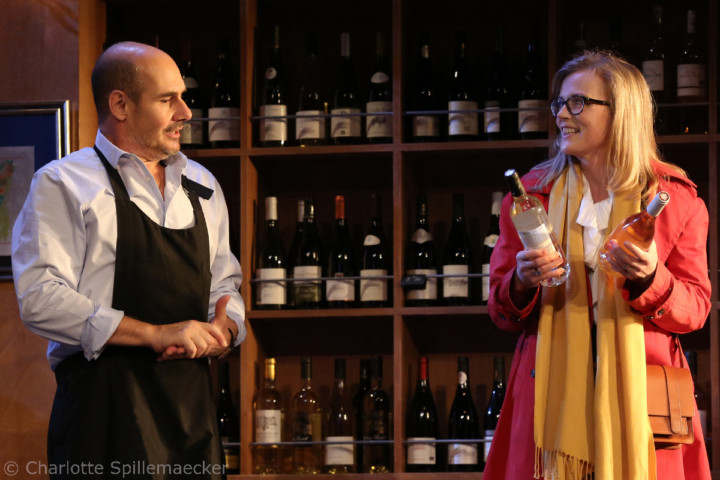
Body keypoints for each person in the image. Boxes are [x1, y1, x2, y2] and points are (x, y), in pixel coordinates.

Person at [12, 41, 246, 479]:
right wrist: (155, 334)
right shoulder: (65, 183)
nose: (185, 112)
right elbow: (41, 298)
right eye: (167, 99)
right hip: (103, 418)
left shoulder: (202, 184)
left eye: (183, 97)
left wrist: (226, 328)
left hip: (191, 419)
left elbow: (223, 285)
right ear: (120, 104)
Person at [484, 51, 711, 480]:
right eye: (559, 103)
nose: (561, 115)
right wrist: (522, 281)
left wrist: (650, 277)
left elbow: (695, 309)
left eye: (578, 103)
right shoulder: (532, 195)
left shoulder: (676, 200)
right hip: (549, 398)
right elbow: (499, 308)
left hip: (643, 401)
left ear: (621, 112)